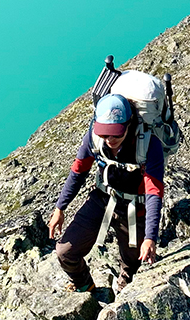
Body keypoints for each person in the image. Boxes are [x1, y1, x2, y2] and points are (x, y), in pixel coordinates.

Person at [47, 94, 165, 292]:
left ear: (129, 124)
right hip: (101, 199)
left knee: (134, 262)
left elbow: (153, 192)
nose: (110, 140)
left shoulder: (148, 144)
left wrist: (150, 237)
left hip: (134, 209)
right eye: (104, 134)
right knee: (65, 252)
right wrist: (60, 208)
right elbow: (78, 171)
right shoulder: (93, 138)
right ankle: (85, 285)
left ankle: (124, 287)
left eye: (116, 134)